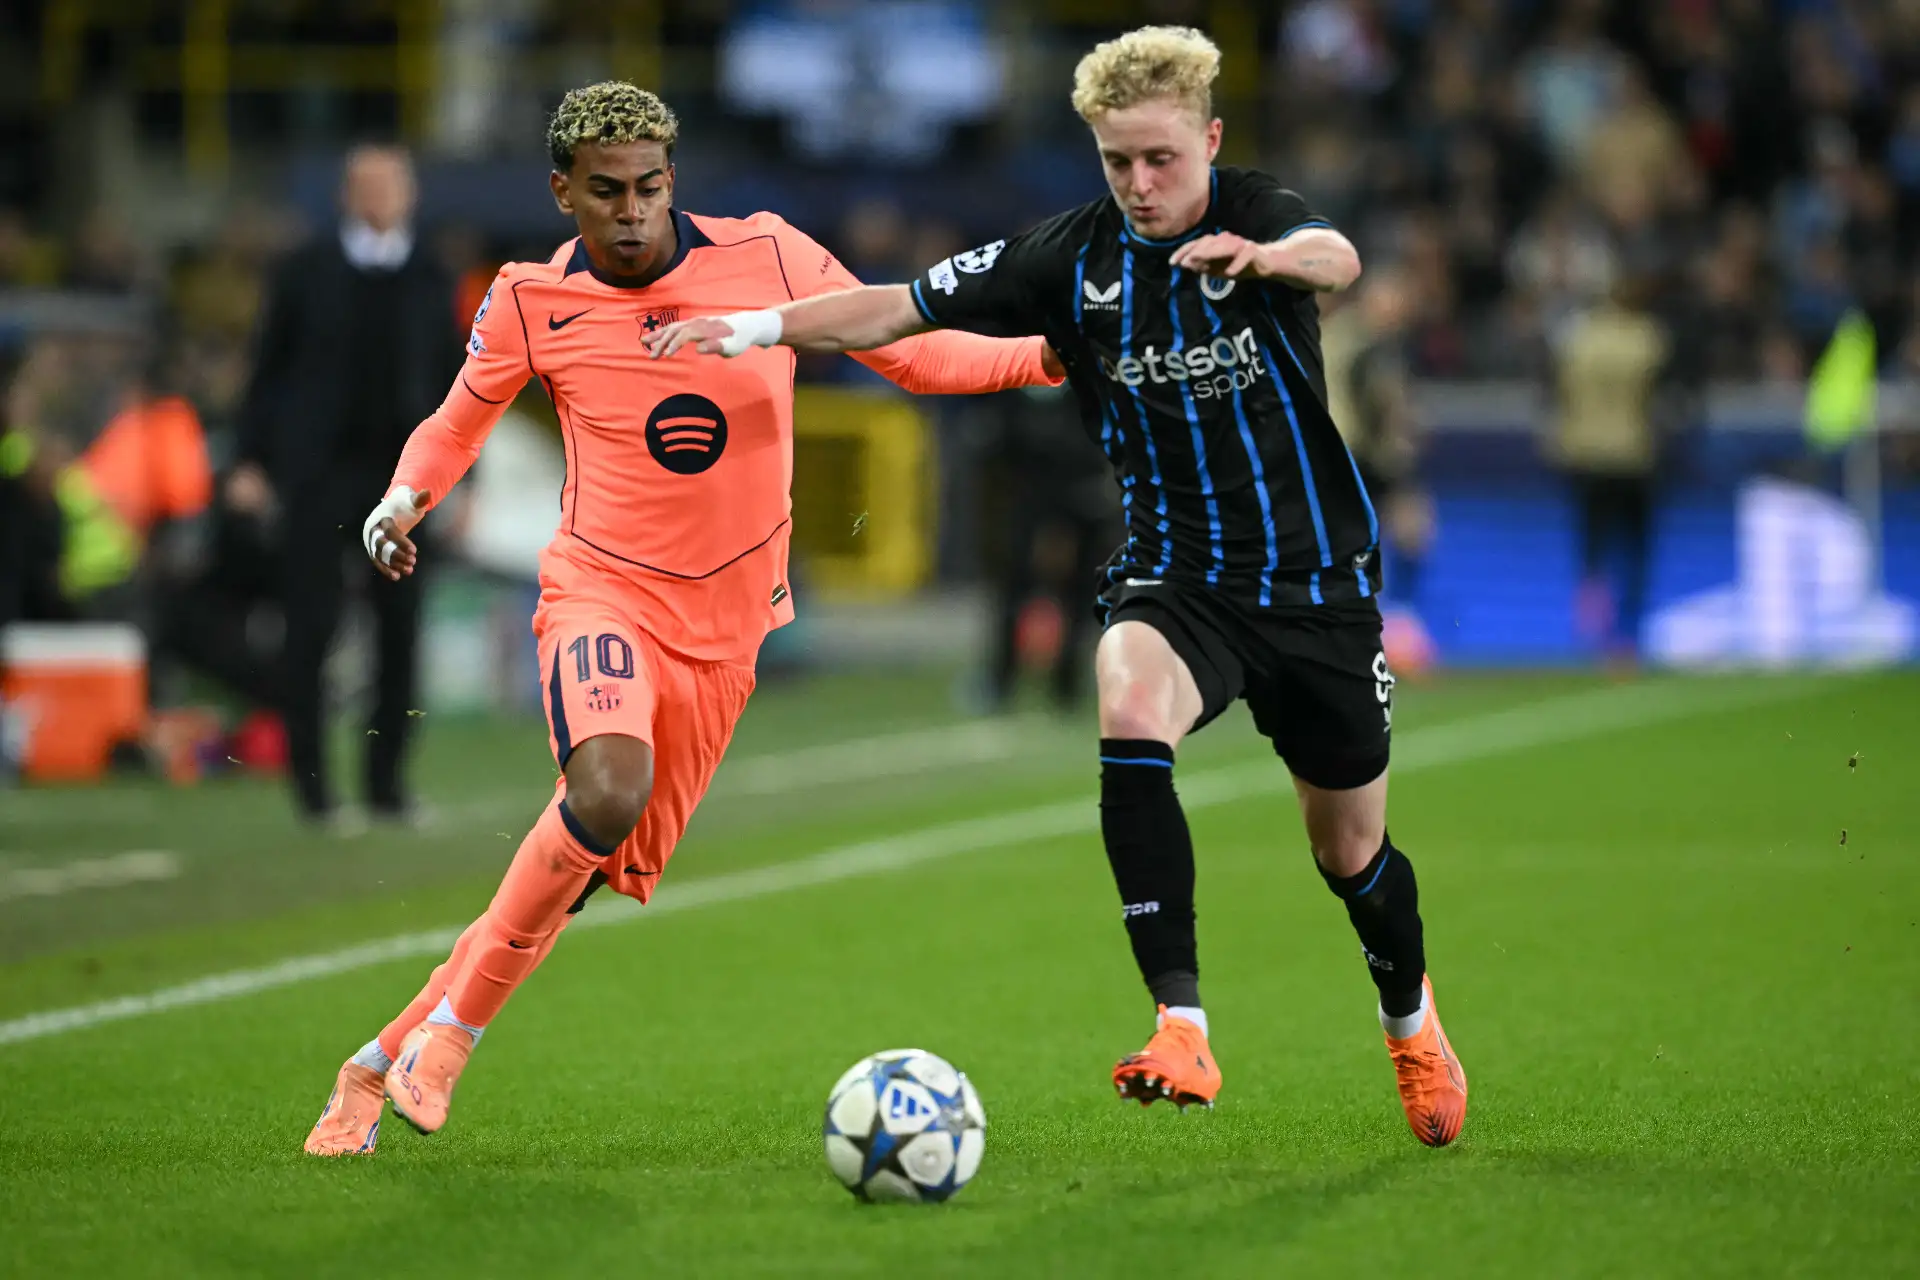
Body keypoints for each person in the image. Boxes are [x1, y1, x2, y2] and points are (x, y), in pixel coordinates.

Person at [649, 26, 1468, 1147]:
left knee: (1350, 855)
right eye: (1117, 162)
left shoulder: (1263, 213)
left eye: (1162, 159)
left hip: (1316, 585)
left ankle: (1410, 1022)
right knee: (1127, 695)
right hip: (1179, 580)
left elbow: (1338, 257)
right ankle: (1180, 1022)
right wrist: (750, 326)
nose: (1140, 183)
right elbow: (893, 304)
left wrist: (1264, 259)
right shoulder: (1066, 258)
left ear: (1209, 140)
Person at [303, 81, 1062, 1156]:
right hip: (600, 591)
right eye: (605, 190)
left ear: (674, 181)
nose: (631, 209)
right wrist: (400, 498)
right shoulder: (529, 298)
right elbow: (455, 417)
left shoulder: (771, 259)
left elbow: (912, 350)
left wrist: (1046, 356)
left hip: (730, 626)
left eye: (650, 187)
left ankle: (377, 1057)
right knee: (605, 788)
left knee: (577, 872)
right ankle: (454, 1039)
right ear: (564, 192)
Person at [229, 144, 461, 827]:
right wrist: (251, 460)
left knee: (400, 632)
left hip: (406, 480)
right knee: (313, 628)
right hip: (319, 474)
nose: (380, 198)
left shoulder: (432, 275)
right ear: (345, 195)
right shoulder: (304, 272)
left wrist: (463, 478)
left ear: (411, 194)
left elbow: (459, 384)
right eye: (367, 185)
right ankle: (314, 791)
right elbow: (268, 371)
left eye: (392, 185)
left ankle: (387, 787)